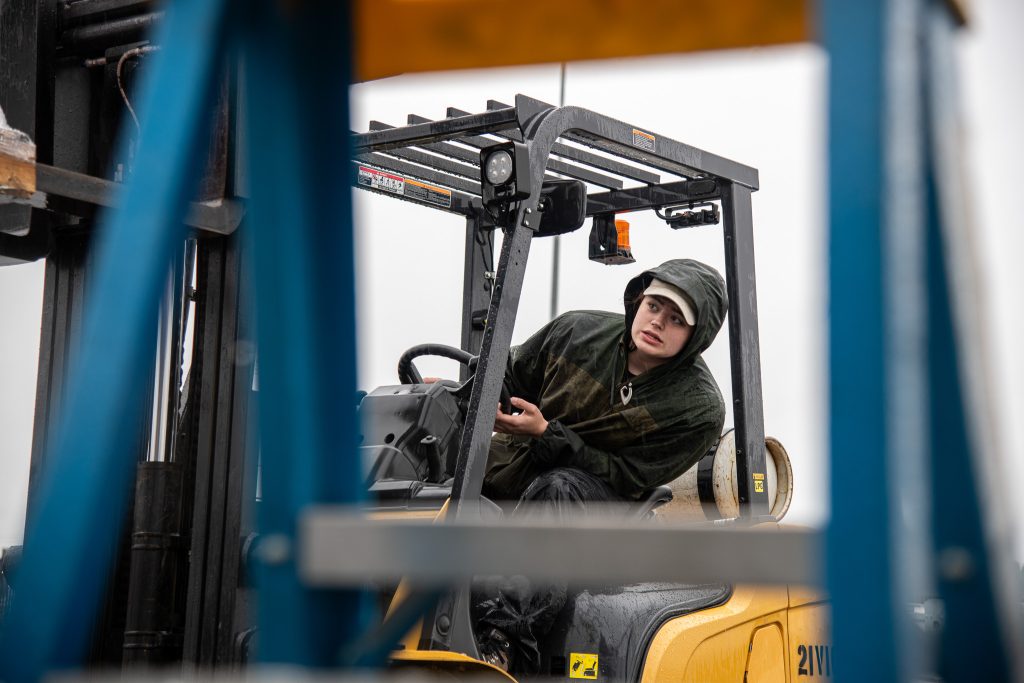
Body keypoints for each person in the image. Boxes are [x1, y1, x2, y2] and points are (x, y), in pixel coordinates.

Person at [473, 258, 729, 672]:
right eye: (654, 306)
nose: (658, 322)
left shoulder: (696, 409)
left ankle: (504, 643)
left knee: (558, 489)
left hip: (609, 504)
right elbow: (511, 371)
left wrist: (548, 435)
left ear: (696, 335)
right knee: (444, 470)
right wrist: (473, 393)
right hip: (527, 467)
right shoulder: (576, 332)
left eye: (677, 319)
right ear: (638, 300)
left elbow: (627, 478)